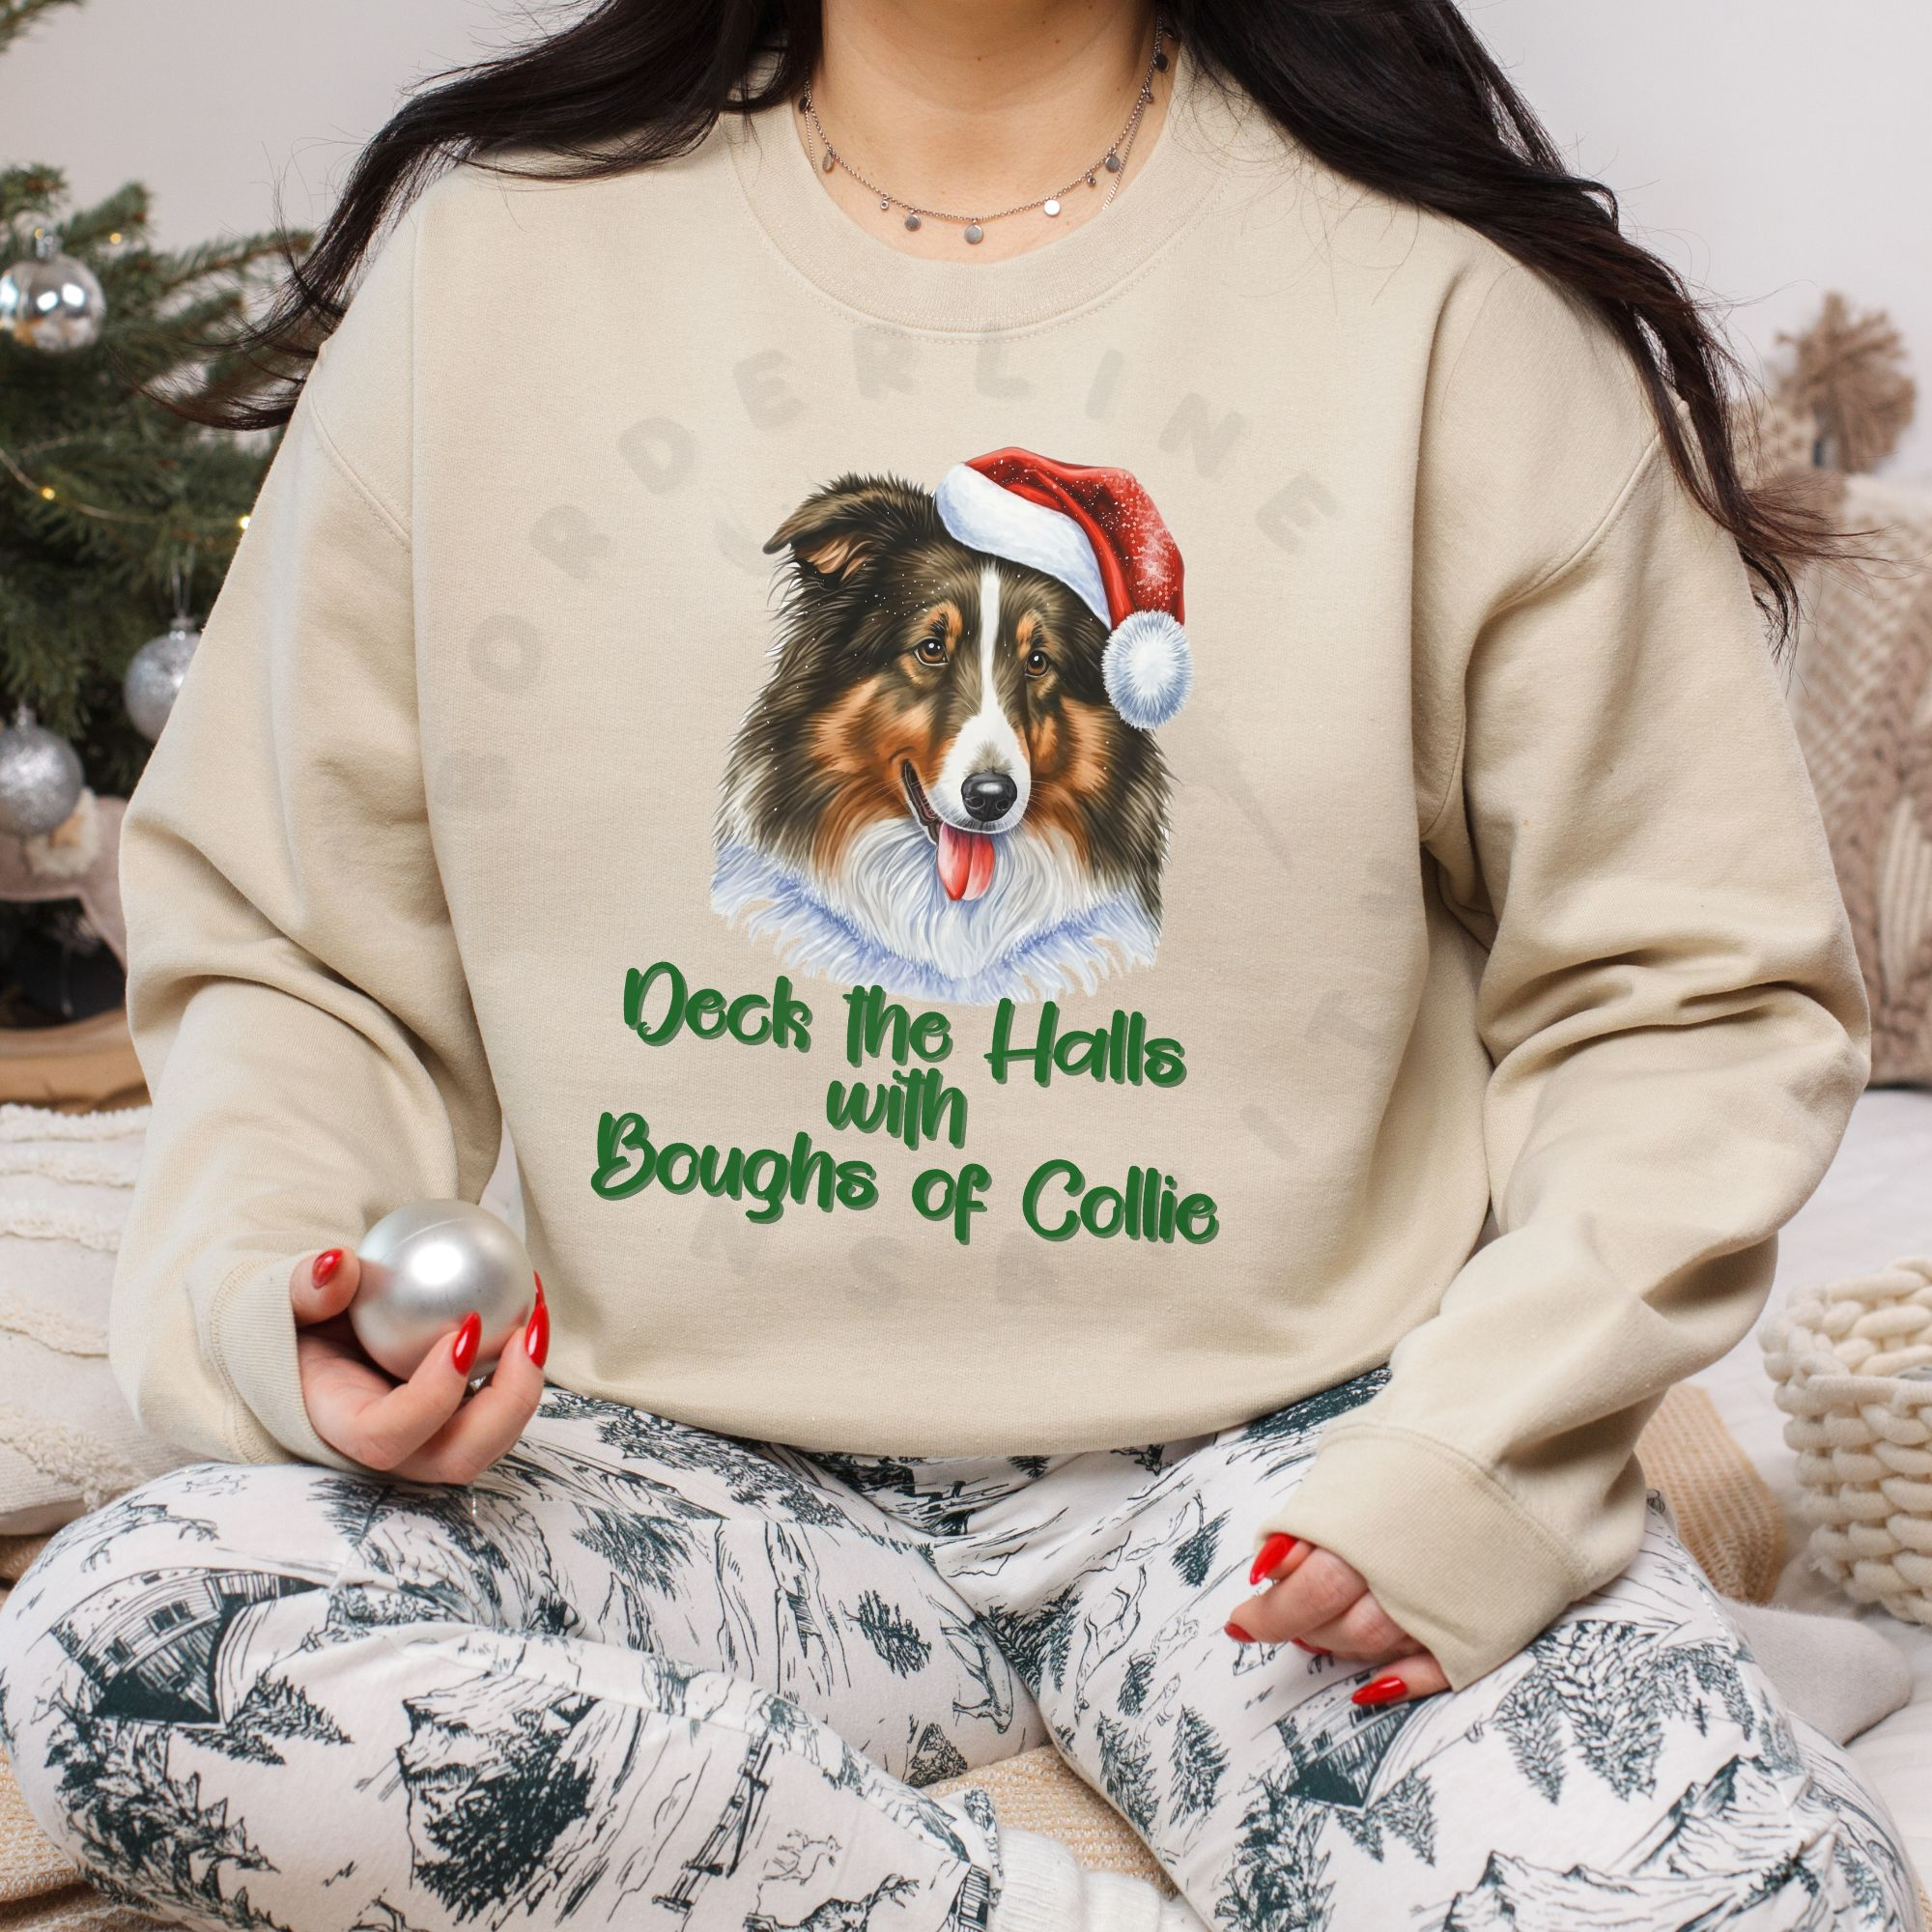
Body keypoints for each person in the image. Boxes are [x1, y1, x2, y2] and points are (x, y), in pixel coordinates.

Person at [0, 2, 1920, 1927]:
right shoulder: (493, 266)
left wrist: (1473, 1463)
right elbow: (298, 946)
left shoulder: (1447, 313)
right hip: (664, 1478)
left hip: (1280, 1490)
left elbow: (1689, 997)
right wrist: (287, 1304)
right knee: (135, 1637)